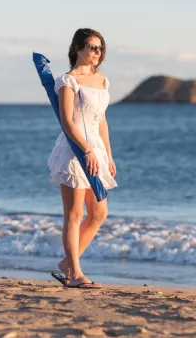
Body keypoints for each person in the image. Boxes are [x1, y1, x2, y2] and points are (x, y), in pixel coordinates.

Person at [48, 28, 117, 289]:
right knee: (75, 214)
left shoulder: (102, 80)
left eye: (100, 48)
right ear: (78, 49)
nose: (97, 53)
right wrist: (86, 150)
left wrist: (107, 154)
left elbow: (102, 122)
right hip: (74, 152)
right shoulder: (68, 80)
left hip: (97, 153)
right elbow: (67, 121)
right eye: (92, 47)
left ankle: (68, 263)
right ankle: (75, 275)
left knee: (99, 213)